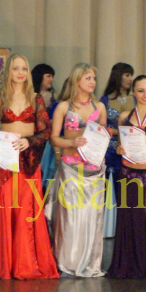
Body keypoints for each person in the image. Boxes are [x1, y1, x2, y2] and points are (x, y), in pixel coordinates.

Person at [0, 54, 59, 280]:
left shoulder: (35, 99)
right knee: (6, 208)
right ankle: (6, 264)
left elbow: (46, 131)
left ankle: (26, 263)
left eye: (24, 69)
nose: (20, 73)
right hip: (5, 162)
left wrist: (29, 141)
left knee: (26, 211)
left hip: (29, 161)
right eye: (16, 68)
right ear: (8, 71)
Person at [48, 63, 106, 277]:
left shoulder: (99, 107)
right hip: (70, 167)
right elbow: (54, 138)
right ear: (77, 80)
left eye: (94, 78)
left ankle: (90, 263)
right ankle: (67, 262)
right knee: (70, 218)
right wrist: (71, 142)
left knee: (91, 218)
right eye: (88, 78)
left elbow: (102, 136)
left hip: (93, 169)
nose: (92, 82)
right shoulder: (64, 107)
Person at [109, 75, 146, 278]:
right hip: (129, 172)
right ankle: (131, 265)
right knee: (130, 218)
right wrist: (119, 149)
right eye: (141, 90)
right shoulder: (124, 116)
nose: (145, 94)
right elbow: (120, 144)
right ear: (133, 91)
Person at [100, 62, 135, 237]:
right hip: (109, 150)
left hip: (131, 150)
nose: (130, 79)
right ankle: (108, 228)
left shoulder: (135, 99)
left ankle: (126, 228)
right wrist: (117, 132)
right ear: (118, 76)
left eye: (131, 75)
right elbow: (100, 128)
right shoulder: (105, 100)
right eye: (127, 75)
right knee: (109, 187)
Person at [33, 63, 59, 187]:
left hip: (49, 141)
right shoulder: (31, 95)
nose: (51, 79)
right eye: (48, 76)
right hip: (34, 138)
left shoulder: (56, 97)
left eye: (52, 76)